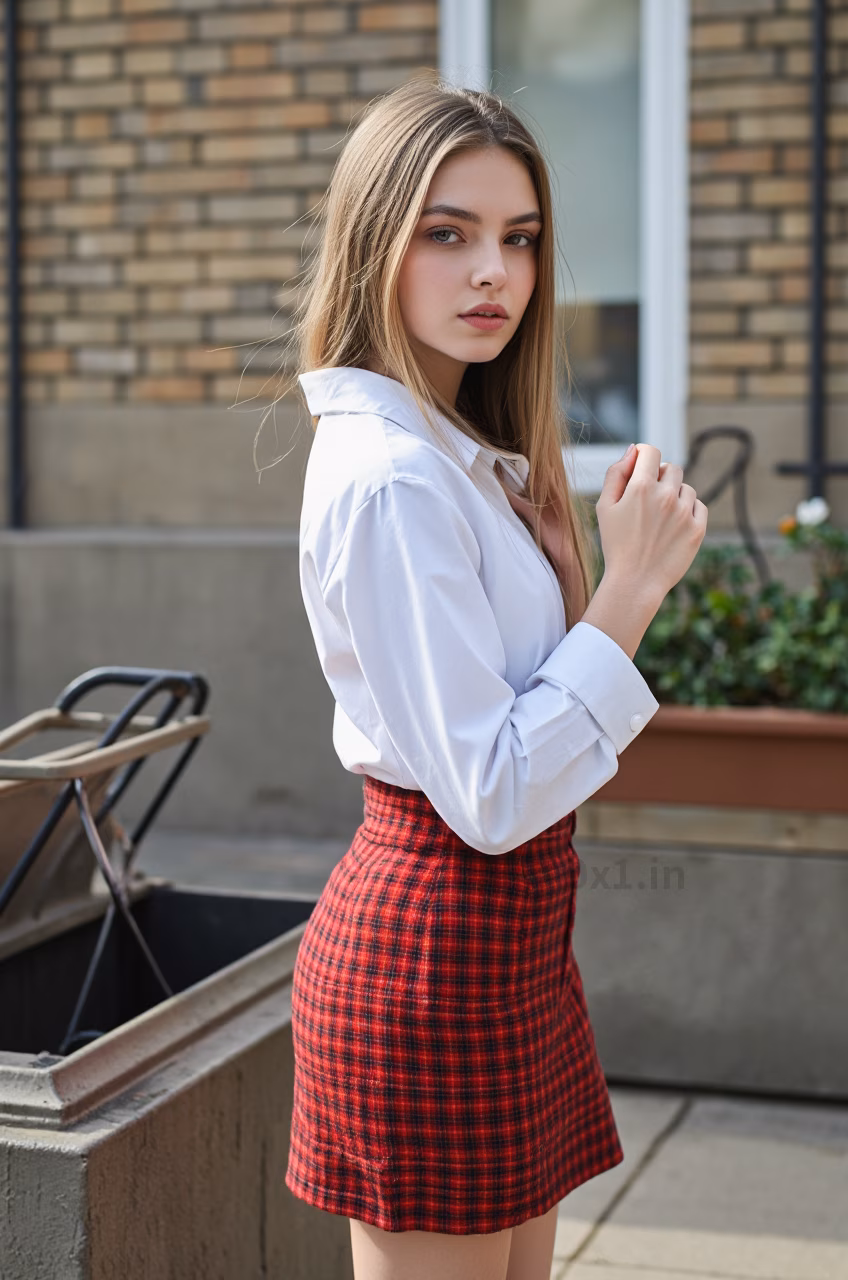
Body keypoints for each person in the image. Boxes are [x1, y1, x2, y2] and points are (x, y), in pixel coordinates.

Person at [278, 74, 707, 1280]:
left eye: (517, 239)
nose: (493, 274)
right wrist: (626, 596)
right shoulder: (394, 479)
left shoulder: (456, 460)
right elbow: (490, 789)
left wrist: (572, 571)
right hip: (427, 961)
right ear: (375, 242)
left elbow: (520, 731)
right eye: (446, 232)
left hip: (511, 953)